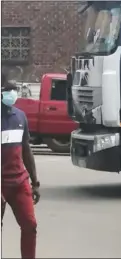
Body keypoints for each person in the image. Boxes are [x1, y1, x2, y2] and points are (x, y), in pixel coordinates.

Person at [1, 79, 40, 259]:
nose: (12, 94)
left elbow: (26, 149)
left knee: (30, 225)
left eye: (13, 90)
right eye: (8, 90)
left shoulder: (20, 116)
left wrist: (35, 181)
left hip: (19, 182)